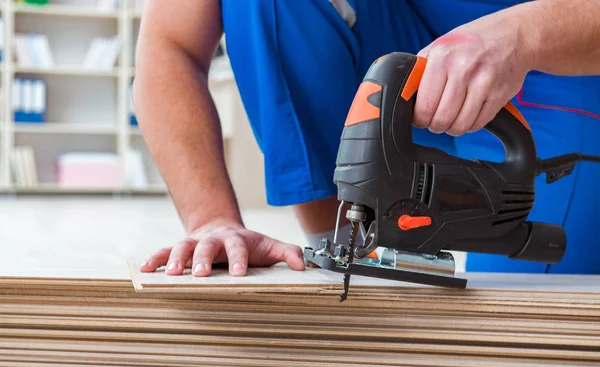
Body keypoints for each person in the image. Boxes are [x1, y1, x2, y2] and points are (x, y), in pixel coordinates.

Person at [133, 0, 600, 278]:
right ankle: (348, 241)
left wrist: (522, 35)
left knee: (529, 321)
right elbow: (170, 45)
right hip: (403, 47)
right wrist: (212, 220)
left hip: (562, 53)